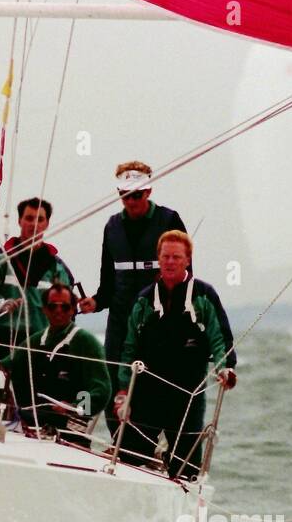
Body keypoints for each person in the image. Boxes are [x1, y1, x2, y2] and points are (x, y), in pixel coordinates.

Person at [79, 160, 235, 433]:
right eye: (124, 195)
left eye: (136, 194)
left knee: (159, 385)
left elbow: (185, 277)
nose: (130, 201)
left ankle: (156, 449)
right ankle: (123, 444)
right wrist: (94, 302)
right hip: (120, 322)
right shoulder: (112, 227)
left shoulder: (169, 220)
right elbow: (107, 284)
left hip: (158, 322)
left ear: (148, 192)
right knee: (116, 383)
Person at [114, 231, 237, 480]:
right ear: (158, 258)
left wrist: (225, 368)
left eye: (176, 257)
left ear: (187, 260)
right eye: (166, 256)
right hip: (148, 389)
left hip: (188, 391)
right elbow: (129, 347)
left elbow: (219, 337)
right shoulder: (144, 300)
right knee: (128, 456)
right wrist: (123, 392)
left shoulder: (203, 295)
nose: (170, 262)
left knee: (186, 467)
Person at [4, 283, 111, 445]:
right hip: (30, 426)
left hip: (68, 430)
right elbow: (5, 367)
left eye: (65, 307)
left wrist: (75, 407)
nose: (58, 311)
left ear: (73, 310)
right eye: (53, 306)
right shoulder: (34, 341)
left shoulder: (86, 343)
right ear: (44, 309)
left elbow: (102, 390)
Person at [0, 196, 74, 356]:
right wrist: (0, 303)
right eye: (29, 218)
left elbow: (68, 311)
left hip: (39, 343)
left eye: (40, 219)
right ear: (19, 221)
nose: (34, 224)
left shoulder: (57, 268)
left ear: (47, 224)